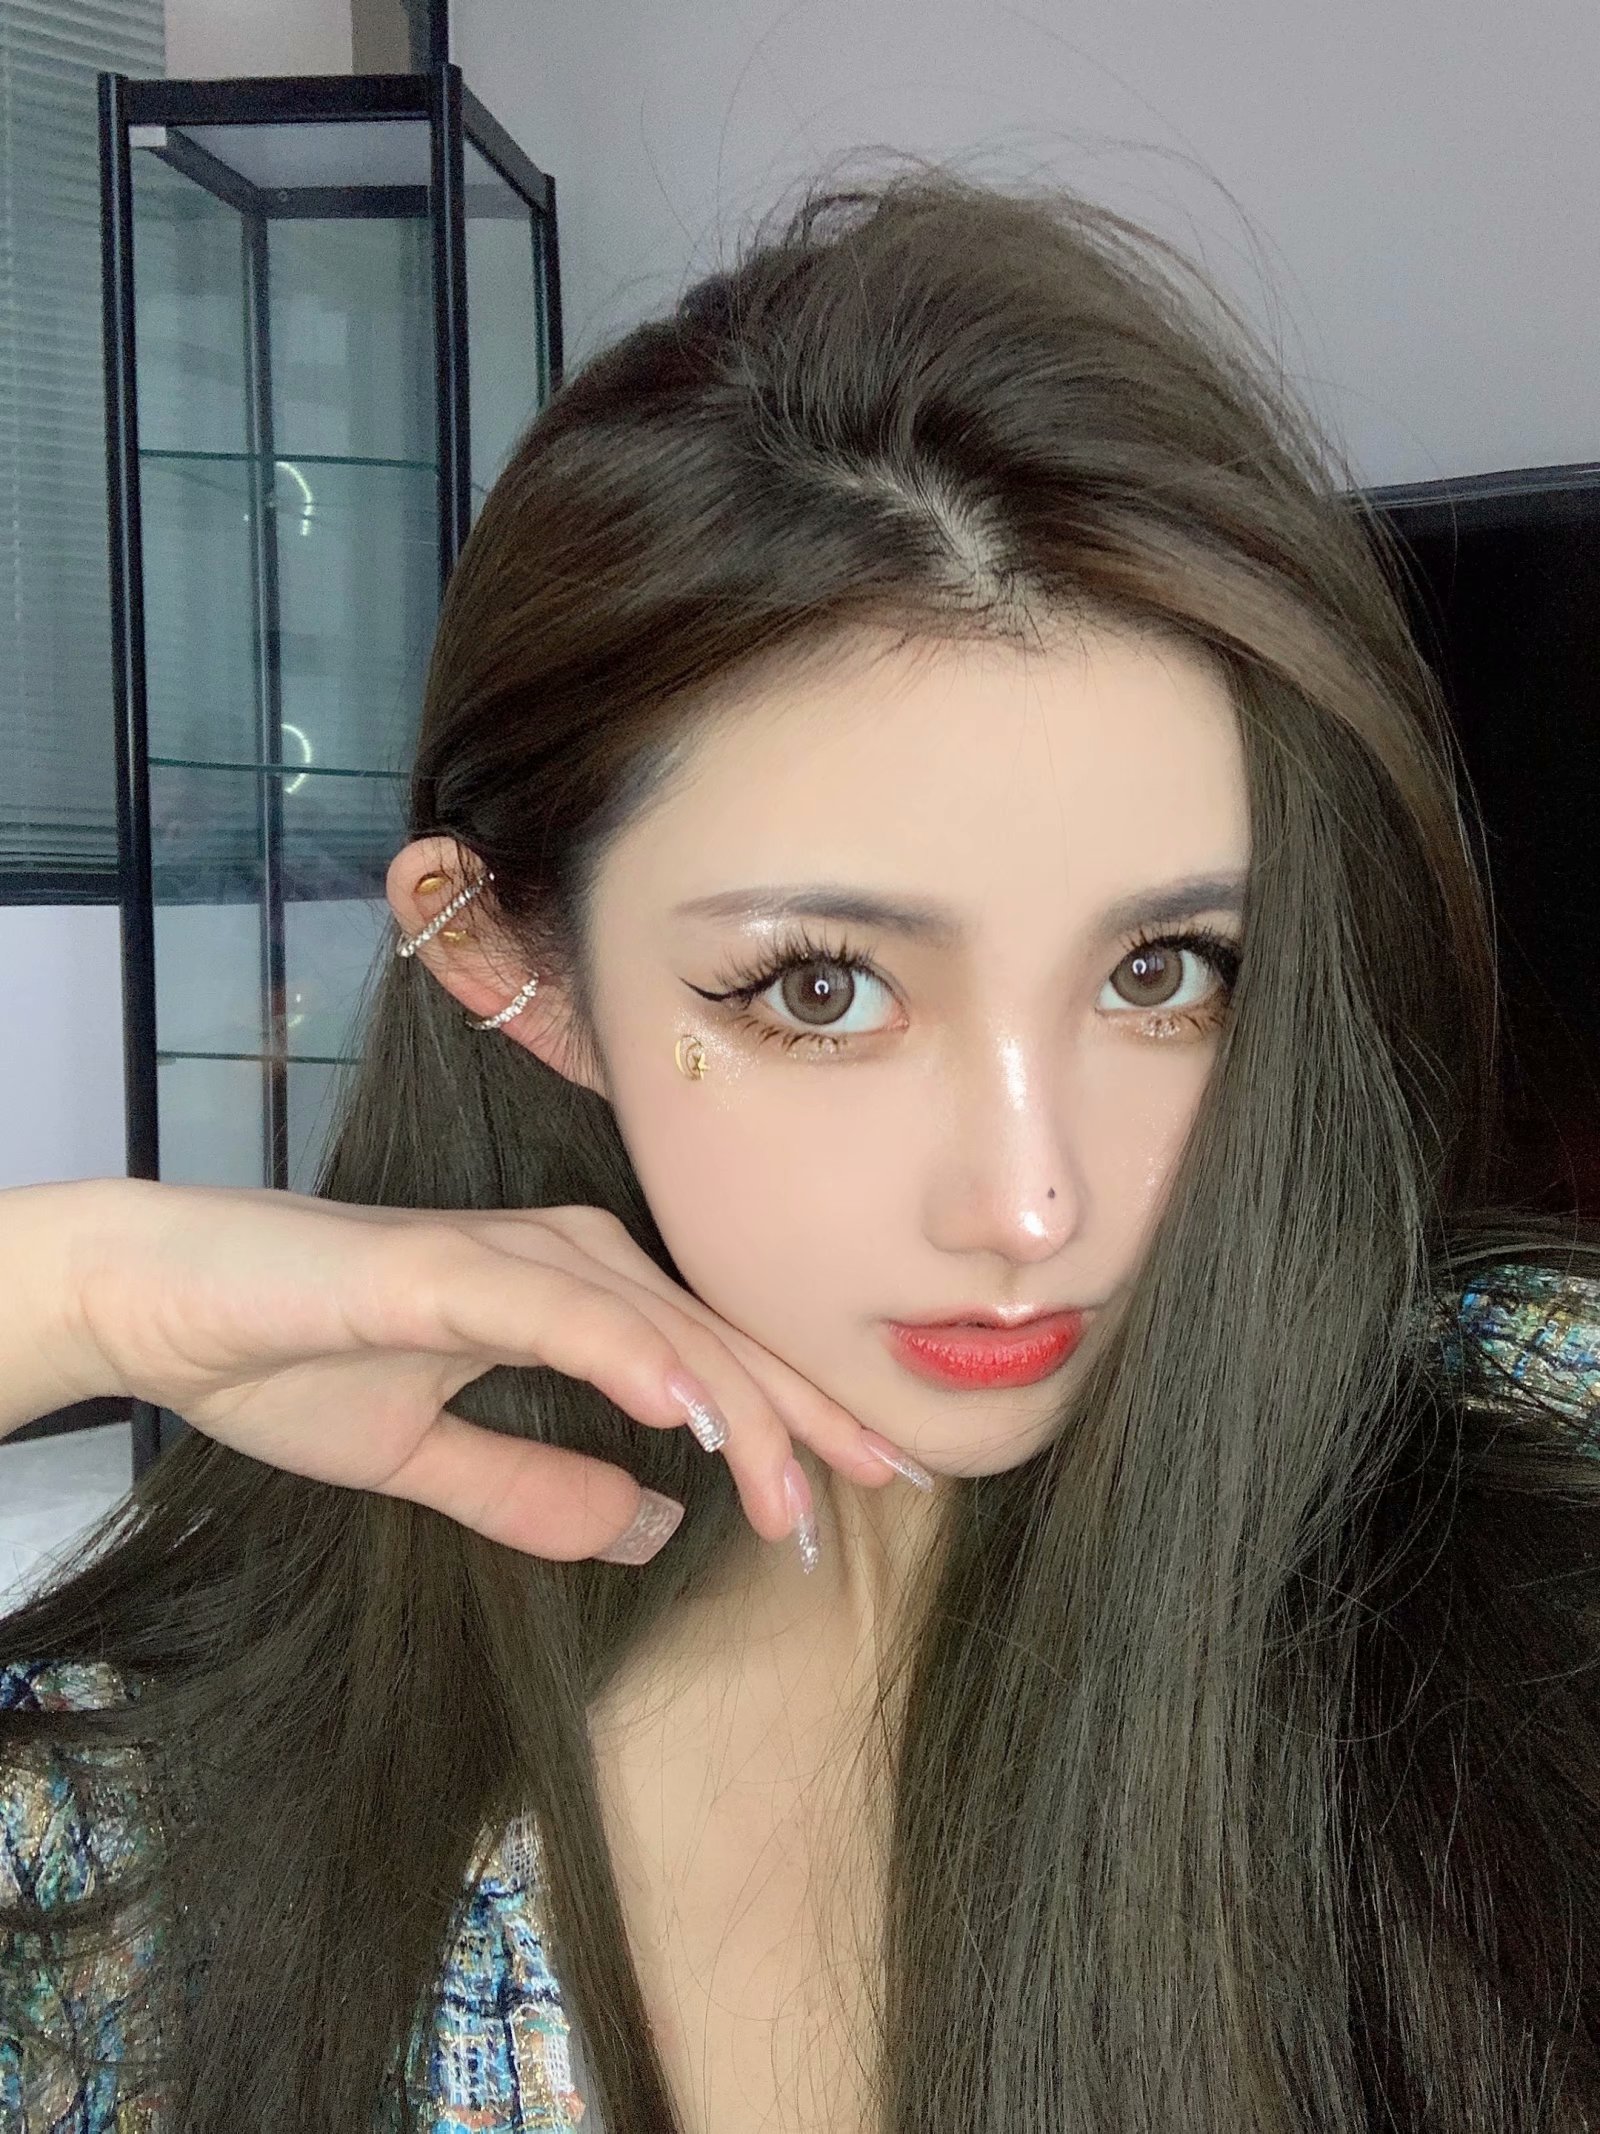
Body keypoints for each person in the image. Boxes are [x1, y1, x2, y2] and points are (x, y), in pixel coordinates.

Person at [3, 168, 1600, 2134]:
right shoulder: (194, 1821)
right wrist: (76, 1285)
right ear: (511, 961)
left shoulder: (1522, 1466)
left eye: (1164, 970)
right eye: (824, 988)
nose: (1032, 1200)